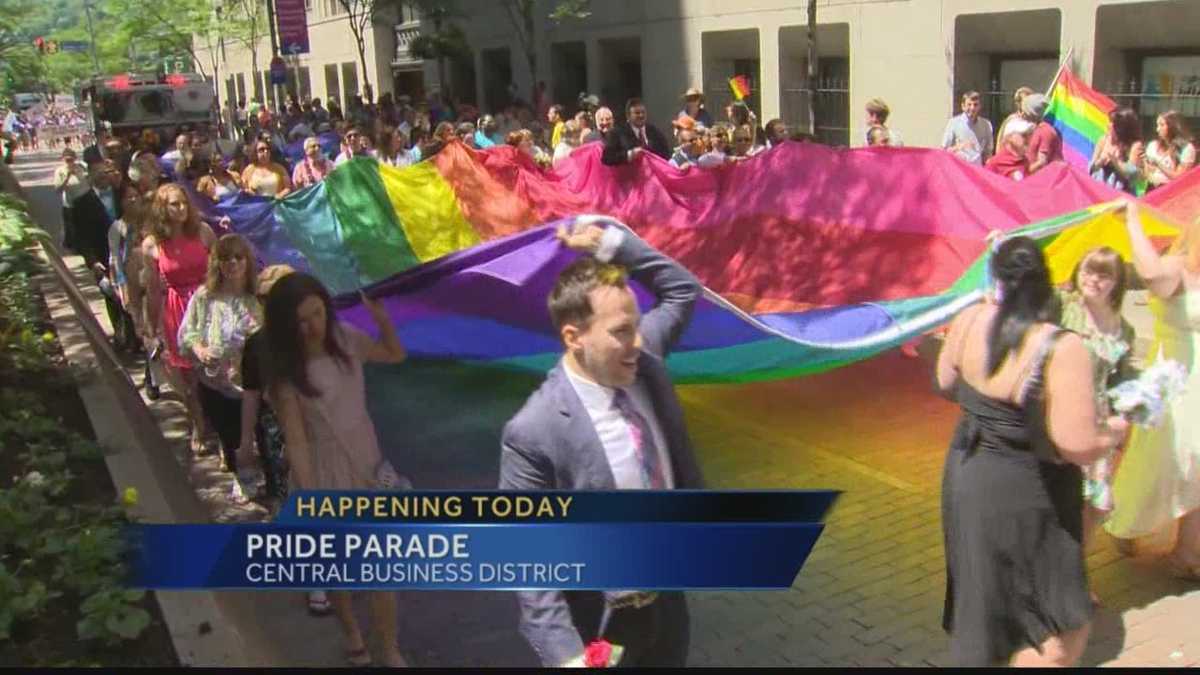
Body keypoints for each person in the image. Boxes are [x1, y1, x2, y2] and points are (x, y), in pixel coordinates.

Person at [499, 219, 703, 667]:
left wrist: (613, 244)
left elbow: (683, 289)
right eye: (620, 333)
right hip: (604, 624)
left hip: (669, 602)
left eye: (635, 327)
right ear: (574, 338)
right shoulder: (534, 430)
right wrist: (568, 658)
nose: (637, 342)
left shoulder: (643, 360)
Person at [935, 236, 1128, 666]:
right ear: (1046, 280)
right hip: (1030, 490)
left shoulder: (968, 319)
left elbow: (945, 383)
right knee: (1060, 625)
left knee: (986, 605)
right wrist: (1114, 430)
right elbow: (1076, 445)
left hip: (968, 477)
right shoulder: (1061, 346)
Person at [265, 273, 408, 667]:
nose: (314, 324)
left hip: (369, 464)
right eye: (302, 319)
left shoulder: (346, 339)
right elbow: (295, 441)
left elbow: (394, 355)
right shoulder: (286, 377)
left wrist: (381, 320)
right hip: (324, 474)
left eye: (317, 312)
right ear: (285, 325)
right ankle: (351, 634)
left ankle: (390, 648)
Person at [1106, 202, 1200, 579]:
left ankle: (1187, 551)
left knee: (1196, 464)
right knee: (1160, 461)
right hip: (1172, 381)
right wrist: (1132, 221)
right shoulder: (1175, 268)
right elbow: (1151, 275)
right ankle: (1121, 522)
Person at [1054, 247, 1137, 578]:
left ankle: (1071, 571)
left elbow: (1125, 381)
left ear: (1117, 284)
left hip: (1098, 421)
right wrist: (1002, 247)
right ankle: (1053, 579)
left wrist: (1130, 412)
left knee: (1098, 504)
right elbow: (1022, 288)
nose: (1093, 280)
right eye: (1088, 271)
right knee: (1058, 501)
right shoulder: (1063, 307)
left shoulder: (1124, 328)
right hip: (1059, 413)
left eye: (1104, 275)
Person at [177, 234, 262, 499]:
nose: (233, 263)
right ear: (217, 264)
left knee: (262, 436)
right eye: (226, 258)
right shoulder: (205, 297)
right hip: (215, 384)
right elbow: (186, 333)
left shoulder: (258, 297)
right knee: (229, 435)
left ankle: (273, 484)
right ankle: (243, 477)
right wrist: (200, 350)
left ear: (247, 261)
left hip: (253, 385)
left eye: (238, 257)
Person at [141, 183, 217, 454]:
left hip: (209, 306)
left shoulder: (204, 232)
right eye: (175, 204)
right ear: (163, 208)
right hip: (177, 311)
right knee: (189, 379)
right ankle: (199, 424)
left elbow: (222, 274)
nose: (182, 208)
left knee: (217, 370)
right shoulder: (152, 245)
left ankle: (223, 432)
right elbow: (152, 290)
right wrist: (151, 329)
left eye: (184, 203)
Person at [1089, 108, 1145, 195]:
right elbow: (1091, 168)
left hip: (1121, 194)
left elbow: (1132, 174)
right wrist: (1100, 162)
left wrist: (1115, 161)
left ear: (1122, 127)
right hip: (1100, 191)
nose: (1108, 125)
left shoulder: (1135, 145)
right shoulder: (1103, 140)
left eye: (1112, 123)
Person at [601, 98, 671, 166]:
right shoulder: (618, 133)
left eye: (643, 112)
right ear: (628, 116)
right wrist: (630, 154)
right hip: (629, 176)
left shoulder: (654, 131)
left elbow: (666, 155)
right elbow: (607, 158)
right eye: (637, 113)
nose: (641, 115)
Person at [1145, 110, 1196, 190]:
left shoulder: (1186, 149)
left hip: (1170, 192)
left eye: (1162, 125)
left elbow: (1178, 177)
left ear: (1172, 126)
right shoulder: (1153, 145)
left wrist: (1158, 164)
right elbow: (1148, 171)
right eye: (1157, 125)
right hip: (1151, 188)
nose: (1157, 129)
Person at [941, 91, 994, 166]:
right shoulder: (954, 123)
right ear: (963, 106)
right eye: (969, 105)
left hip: (977, 171)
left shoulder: (986, 125)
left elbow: (988, 153)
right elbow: (944, 151)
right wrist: (959, 147)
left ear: (979, 106)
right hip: (959, 169)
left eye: (975, 105)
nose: (972, 108)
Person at [54, 147, 91, 252]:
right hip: (70, 203)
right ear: (63, 160)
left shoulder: (81, 167)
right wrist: (67, 177)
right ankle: (74, 247)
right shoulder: (60, 171)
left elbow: (89, 180)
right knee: (71, 226)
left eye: (72, 160)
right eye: (67, 160)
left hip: (84, 200)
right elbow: (58, 189)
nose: (70, 162)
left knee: (85, 225)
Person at [1022, 94, 1062, 176]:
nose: (1022, 114)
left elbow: (1042, 162)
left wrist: (1024, 173)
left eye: (1025, 111)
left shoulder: (1046, 132)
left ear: (1033, 113)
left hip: (1043, 181)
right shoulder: (1035, 129)